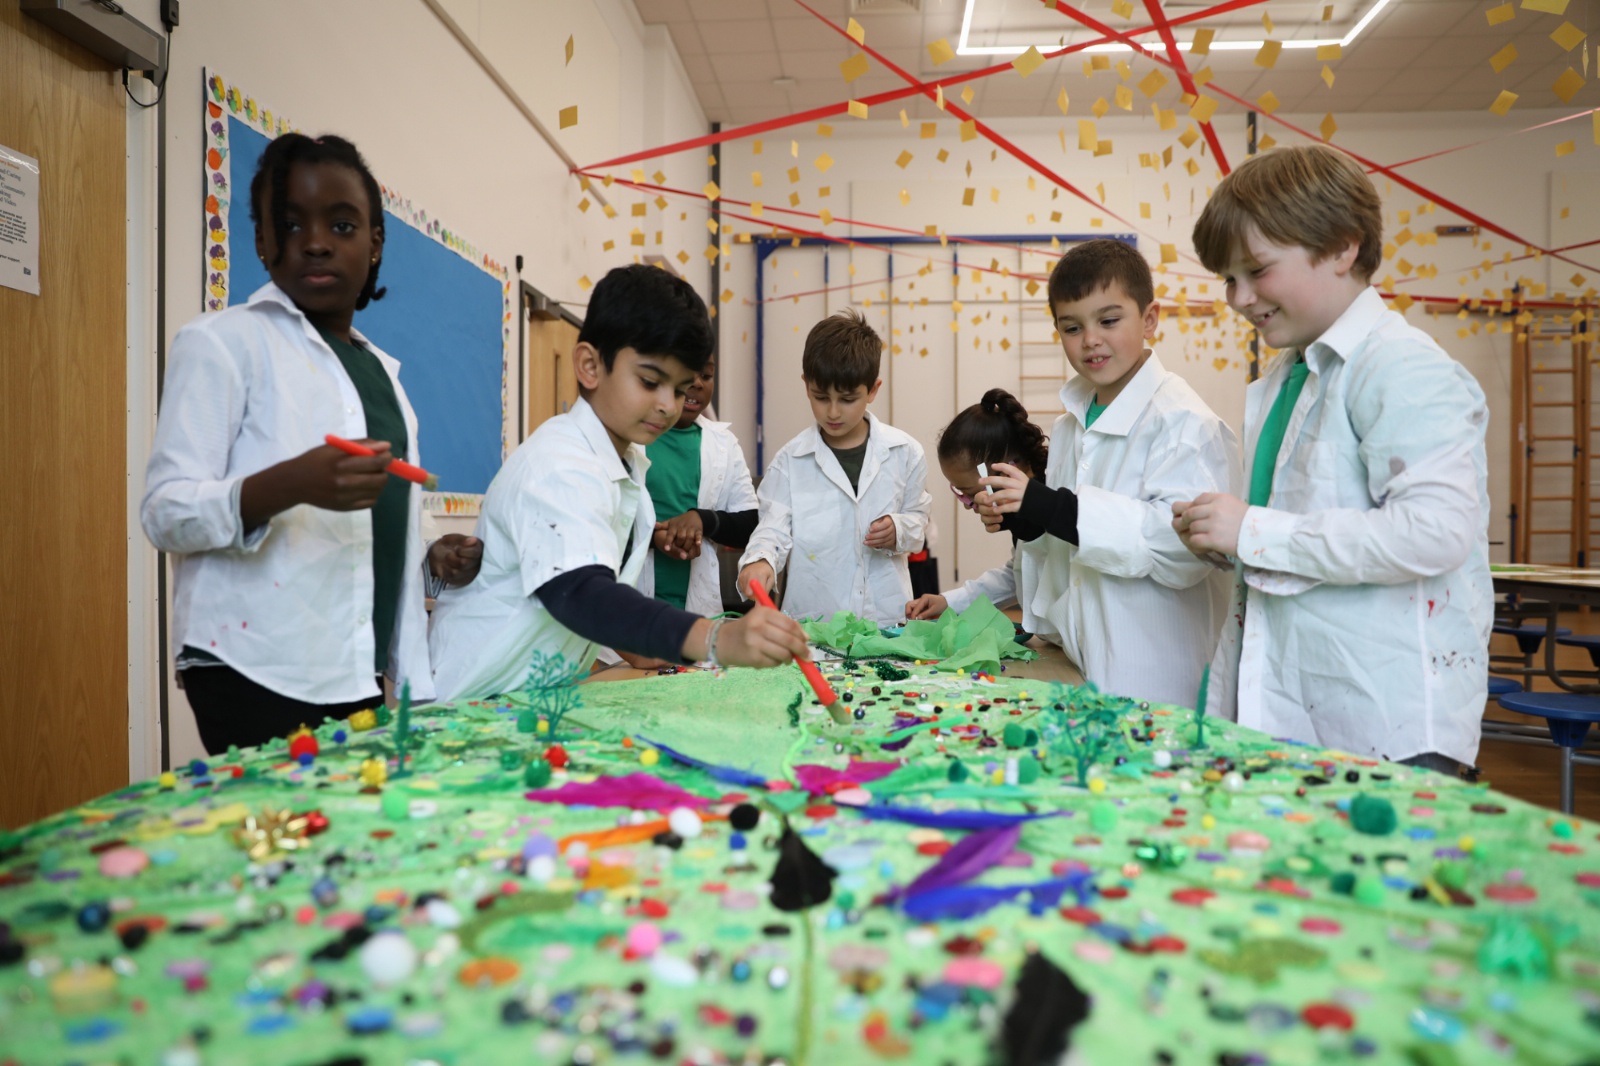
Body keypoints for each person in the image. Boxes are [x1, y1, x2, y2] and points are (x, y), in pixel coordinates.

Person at [142, 133, 480, 754]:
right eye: (292, 224)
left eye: (342, 225)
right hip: (253, 665)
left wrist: (430, 557)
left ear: (375, 243)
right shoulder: (222, 343)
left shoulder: (384, 376)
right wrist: (289, 484)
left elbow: (374, 526)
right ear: (262, 242)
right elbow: (164, 513)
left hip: (355, 668)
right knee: (282, 816)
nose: (316, 241)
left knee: (343, 816)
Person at [1175, 144, 1491, 774]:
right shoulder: (1290, 375)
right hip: (1296, 703)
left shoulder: (1399, 365)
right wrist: (1229, 540)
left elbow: (1435, 532)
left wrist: (1255, 531)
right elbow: (1306, 525)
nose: (1239, 297)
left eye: (1256, 270)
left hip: (1386, 721)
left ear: (1342, 248)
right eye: (1228, 279)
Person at [427, 265, 810, 700]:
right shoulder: (561, 463)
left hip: (528, 694)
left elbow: (589, 581)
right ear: (590, 365)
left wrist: (638, 645)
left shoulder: (626, 463)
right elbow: (582, 594)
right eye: (650, 381)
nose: (668, 405)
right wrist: (715, 638)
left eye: (679, 388)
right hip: (469, 697)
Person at [979, 239, 1240, 706]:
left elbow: (1181, 552)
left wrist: (1053, 507)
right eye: (1072, 327)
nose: (1090, 340)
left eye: (1109, 320)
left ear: (1150, 318)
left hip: (1161, 677)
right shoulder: (1069, 426)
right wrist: (1029, 522)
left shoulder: (1185, 424)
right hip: (1086, 663)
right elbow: (1071, 553)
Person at [736, 310, 932, 627]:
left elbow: (919, 525)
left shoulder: (905, 453)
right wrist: (760, 561)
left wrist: (899, 529)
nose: (833, 412)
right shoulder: (789, 462)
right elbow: (772, 530)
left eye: (847, 399)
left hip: (885, 622)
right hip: (814, 625)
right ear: (806, 385)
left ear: (873, 390)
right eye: (820, 397)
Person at [905, 389, 1048, 620]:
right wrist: (949, 601)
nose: (968, 504)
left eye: (970, 494)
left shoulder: (1056, 507)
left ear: (1006, 472)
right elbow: (1020, 574)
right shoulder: (1021, 515)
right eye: (960, 494)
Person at [638, 353, 759, 616]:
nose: (698, 384)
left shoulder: (724, 444)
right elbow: (602, 523)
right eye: (688, 374)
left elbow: (751, 524)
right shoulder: (631, 438)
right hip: (631, 606)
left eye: (706, 375)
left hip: (697, 612)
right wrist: (654, 539)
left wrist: (703, 520)